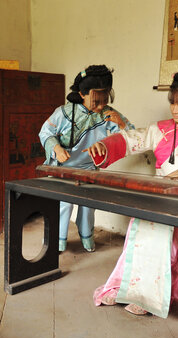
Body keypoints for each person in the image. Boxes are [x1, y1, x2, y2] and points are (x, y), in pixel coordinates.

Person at [87, 64, 178, 317]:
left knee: (159, 234)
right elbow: (131, 139)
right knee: (140, 229)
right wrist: (104, 146)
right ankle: (125, 287)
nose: (175, 109)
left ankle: (147, 295)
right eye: (173, 103)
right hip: (160, 196)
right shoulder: (159, 129)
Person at [39, 65, 133, 252]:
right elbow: (45, 132)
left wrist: (121, 123)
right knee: (63, 204)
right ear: (82, 93)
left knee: (88, 205)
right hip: (63, 168)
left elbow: (133, 136)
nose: (100, 106)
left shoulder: (108, 114)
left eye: (104, 100)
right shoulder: (63, 112)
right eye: (96, 101)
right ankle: (57, 242)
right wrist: (56, 148)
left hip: (89, 168)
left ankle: (86, 237)